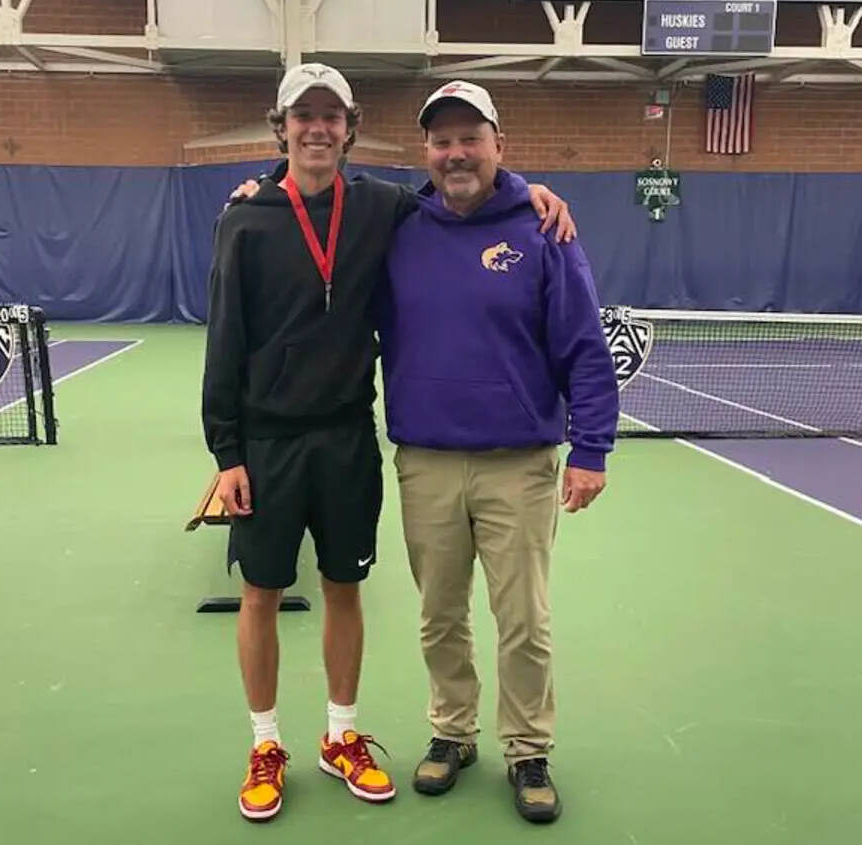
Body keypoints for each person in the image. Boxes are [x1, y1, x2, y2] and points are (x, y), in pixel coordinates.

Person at [203, 63, 577, 822]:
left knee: (346, 586)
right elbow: (224, 343)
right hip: (268, 445)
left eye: (331, 116)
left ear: (350, 126)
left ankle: (342, 736)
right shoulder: (243, 217)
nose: (316, 128)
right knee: (261, 593)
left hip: (348, 438)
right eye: (302, 116)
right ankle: (266, 743)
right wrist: (226, 454)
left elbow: (468, 184)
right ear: (281, 128)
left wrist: (534, 191)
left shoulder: (384, 208)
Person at [376, 81, 619, 824]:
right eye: (442, 140)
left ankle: (527, 747)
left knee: (525, 620)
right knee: (440, 615)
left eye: (470, 138)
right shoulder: (397, 226)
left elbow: (584, 346)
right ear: (426, 151)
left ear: (498, 146)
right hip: (426, 460)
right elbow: (315, 203)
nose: (456, 153)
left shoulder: (546, 230)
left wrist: (593, 447)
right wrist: (252, 189)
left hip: (520, 463)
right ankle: (452, 731)